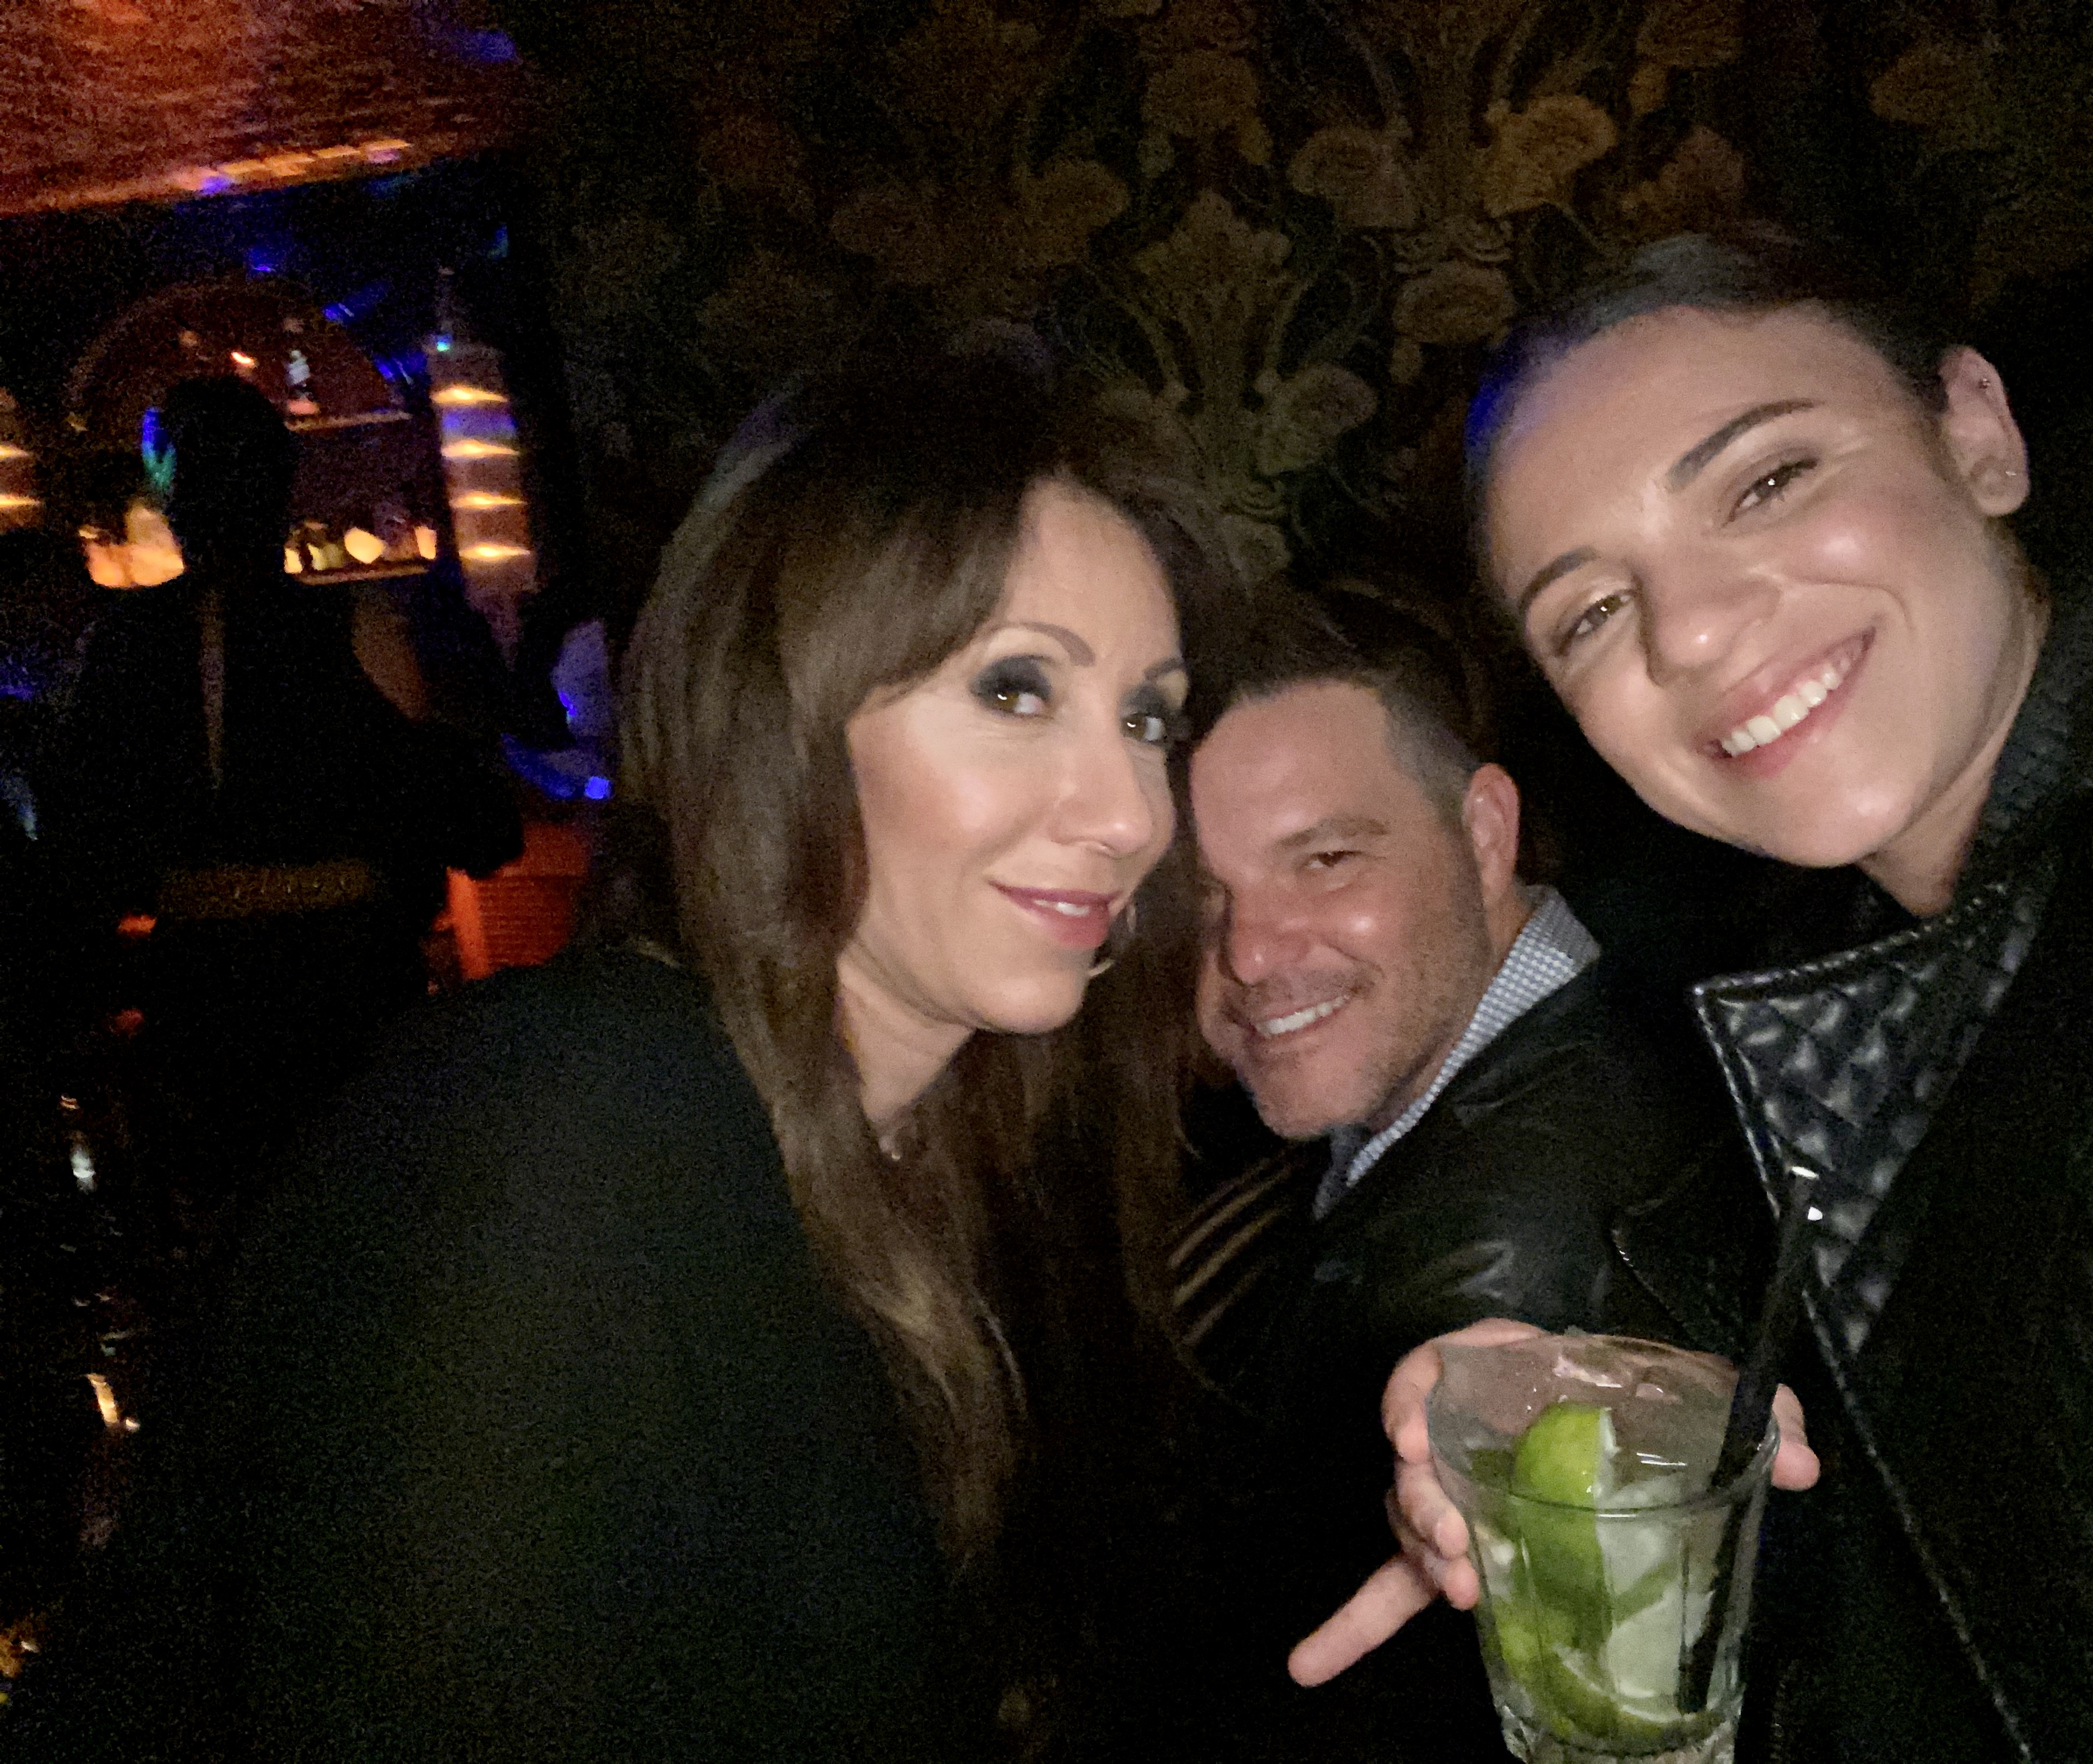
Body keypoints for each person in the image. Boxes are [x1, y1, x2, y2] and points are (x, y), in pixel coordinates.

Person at [14, 351, 1208, 1759]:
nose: (1133, 814)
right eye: (1016, 691)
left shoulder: (965, 1131)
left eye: (1150, 717)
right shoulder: (576, 1135)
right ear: (780, 709)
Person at [1299, 230, 2093, 1764]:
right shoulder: (1823, 1006)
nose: (1691, 630)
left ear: (1978, 433)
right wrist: (1678, 1468)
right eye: (1590, 613)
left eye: (1768, 480)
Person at [1157, 586, 1764, 1759]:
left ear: (1485, 833)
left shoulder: (1480, 1275)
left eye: (1325, 860)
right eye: (1199, 898)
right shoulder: (1621, 991)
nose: (1249, 953)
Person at [38, 377, 520, 1205]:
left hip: (210, 998)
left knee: (248, 1219)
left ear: (170, 496)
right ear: (282, 490)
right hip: (345, 985)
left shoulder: (121, 644)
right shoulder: (355, 628)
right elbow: (471, 825)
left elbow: (80, 841)